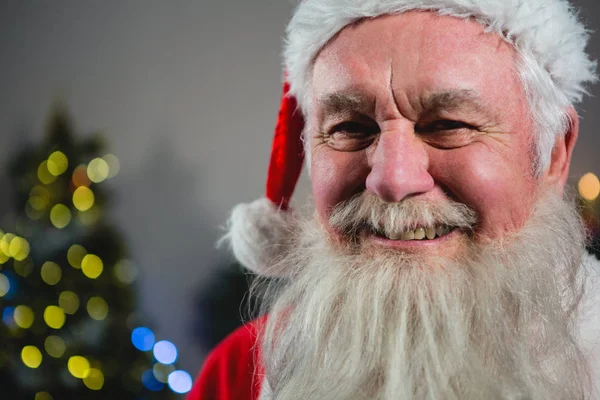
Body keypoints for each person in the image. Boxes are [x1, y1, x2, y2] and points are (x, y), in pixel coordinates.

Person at [188, 0, 600, 399]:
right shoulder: (242, 372)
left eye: (448, 124)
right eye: (349, 127)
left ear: (554, 154)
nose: (392, 179)